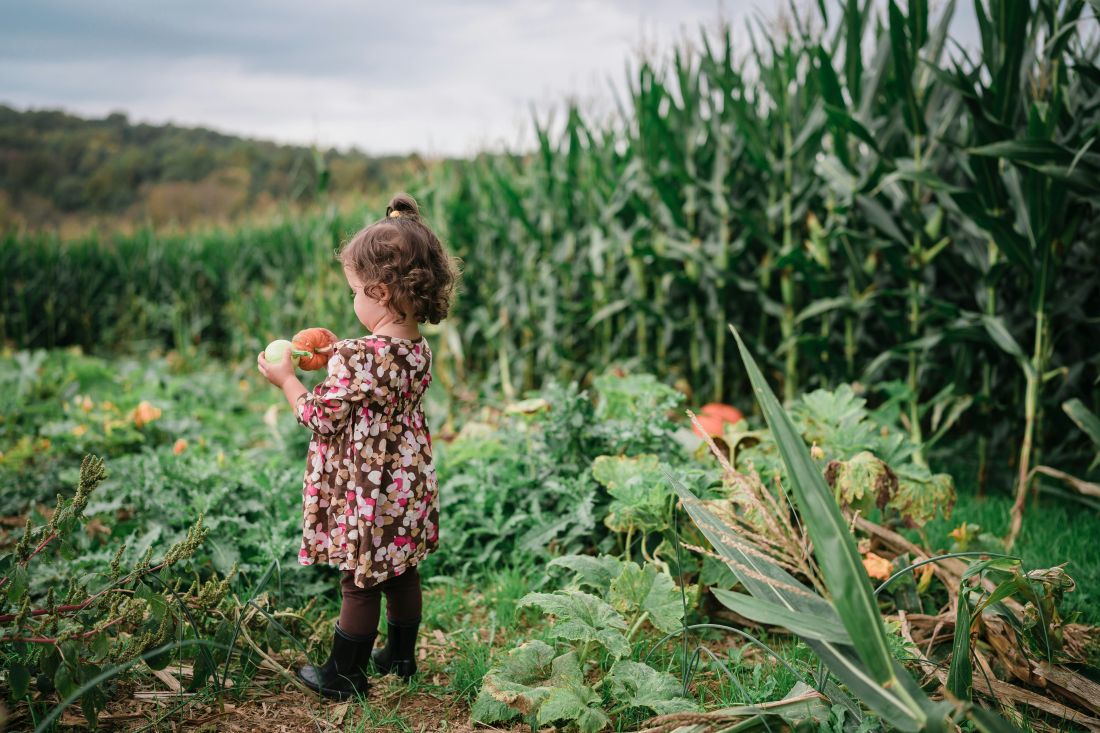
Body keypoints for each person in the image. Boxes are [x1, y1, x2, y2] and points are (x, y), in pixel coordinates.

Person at [257, 192, 459, 699]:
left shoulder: (356, 356)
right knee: (401, 570)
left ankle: (344, 675)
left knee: (359, 581)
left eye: (355, 291)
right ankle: (401, 656)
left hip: (365, 493)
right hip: (405, 486)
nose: (353, 302)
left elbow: (320, 415)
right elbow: (372, 384)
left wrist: (286, 380)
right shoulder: (417, 347)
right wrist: (335, 360)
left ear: (382, 291)